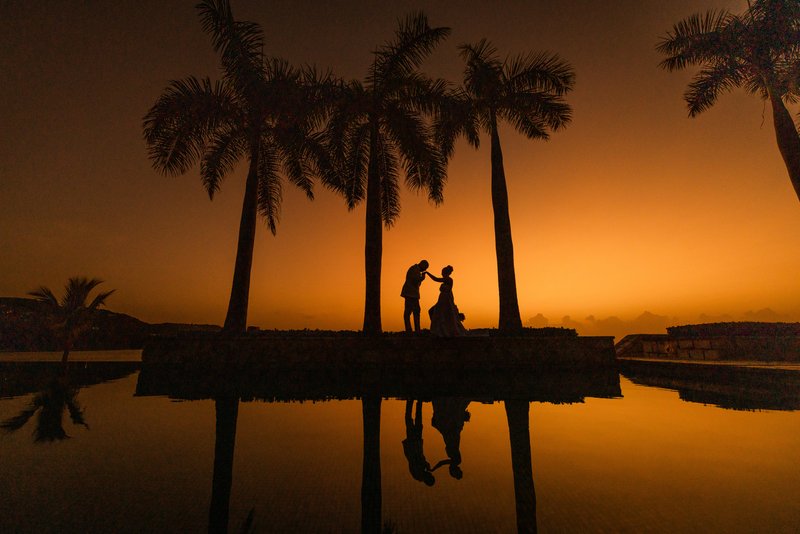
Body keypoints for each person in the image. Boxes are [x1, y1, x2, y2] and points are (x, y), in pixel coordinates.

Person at [427, 265, 467, 337]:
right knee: (435, 313)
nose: (441, 273)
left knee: (440, 314)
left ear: (446, 272)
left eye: (442, 272)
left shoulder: (448, 279)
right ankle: (437, 329)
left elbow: (436, 279)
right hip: (442, 299)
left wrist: (428, 273)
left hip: (445, 300)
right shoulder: (446, 280)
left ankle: (440, 330)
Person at [402, 400, 435, 486]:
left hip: (413, 444)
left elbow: (416, 459)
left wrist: (426, 465)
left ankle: (410, 401)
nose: (430, 473)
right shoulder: (420, 474)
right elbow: (421, 459)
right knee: (417, 422)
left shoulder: (418, 474)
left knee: (410, 421)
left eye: (430, 475)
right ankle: (418, 403)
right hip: (416, 443)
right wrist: (426, 465)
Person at [401, 259, 429, 333]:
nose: (424, 270)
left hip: (413, 294)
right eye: (425, 267)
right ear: (422, 265)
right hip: (411, 294)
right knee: (409, 312)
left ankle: (416, 329)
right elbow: (415, 280)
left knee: (415, 311)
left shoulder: (416, 270)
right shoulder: (414, 269)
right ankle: (411, 330)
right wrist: (422, 277)